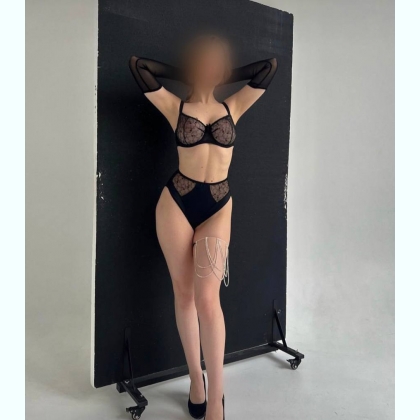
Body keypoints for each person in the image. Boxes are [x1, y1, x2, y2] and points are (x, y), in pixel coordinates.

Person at [129, 34, 277, 420]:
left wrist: (221, 73)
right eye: (204, 61)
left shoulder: (234, 105)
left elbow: (268, 68)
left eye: (218, 62)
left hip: (217, 206)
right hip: (176, 203)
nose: (211, 67)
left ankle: (216, 400)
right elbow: (138, 66)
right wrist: (191, 74)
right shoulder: (175, 106)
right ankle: (197, 380)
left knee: (208, 300)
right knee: (184, 296)